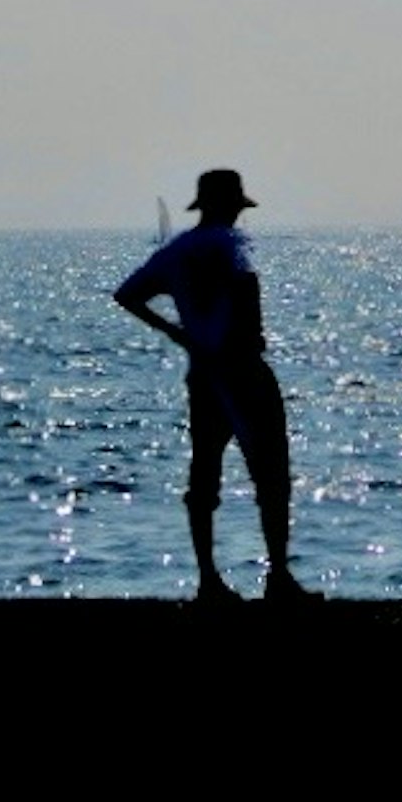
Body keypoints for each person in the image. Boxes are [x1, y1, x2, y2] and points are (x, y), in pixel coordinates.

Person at [115, 167, 311, 603]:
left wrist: (179, 334)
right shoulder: (231, 243)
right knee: (271, 474)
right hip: (242, 367)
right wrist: (243, 335)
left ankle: (208, 579)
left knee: (205, 474)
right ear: (233, 207)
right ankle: (277, 576)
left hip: (202, 372)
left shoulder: (177, 251)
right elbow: (245, 288)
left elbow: (127, 294)